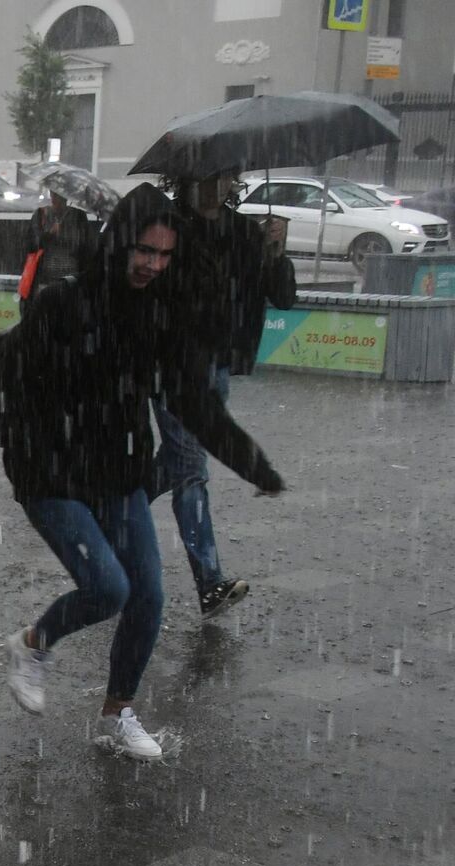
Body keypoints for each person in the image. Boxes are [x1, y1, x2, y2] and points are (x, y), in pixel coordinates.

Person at [0, 184, 286, 760]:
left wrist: (254, 466)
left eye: (165, 256)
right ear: (120, 243)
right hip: (49, 469)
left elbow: (196, 404)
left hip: (118, 469)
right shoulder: (64, 305)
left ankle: (118, 714)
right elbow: (0, 395)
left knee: (149, 595)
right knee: (108, 588)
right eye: (146, 251)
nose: (154, 265)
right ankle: (33, 643)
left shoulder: (161, 313)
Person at [158, 169, 297, 617]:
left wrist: (276, 252)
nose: (217, 186)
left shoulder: (242, 232)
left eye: (225, 178)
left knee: (177, 462)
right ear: (188, 179)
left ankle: (115, 516)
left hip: (218, 364)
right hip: (172, 368)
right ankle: (210, 582)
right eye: (208, 177)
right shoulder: (167, 227)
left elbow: (284, 297)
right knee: (192, 469)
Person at [25, 192, 98, 302]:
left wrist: (68, 236)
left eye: (58, 196)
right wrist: (50, 234)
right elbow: (32, 245)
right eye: (52, 194)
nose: (54, 198)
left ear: (65, 198)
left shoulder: (78, 216)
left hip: (71, 281)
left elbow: (86, 246)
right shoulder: (41, 214)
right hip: (45, 281)